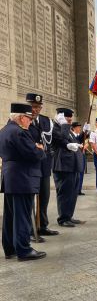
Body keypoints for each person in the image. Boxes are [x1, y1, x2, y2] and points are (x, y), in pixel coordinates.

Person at [0, 103, 46, 261]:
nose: (30, 121)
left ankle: (10, 248)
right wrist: (39, 149)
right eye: (28, 117)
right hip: (23, 178)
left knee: (10, 215)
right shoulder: (19, 132)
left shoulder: (5, 130)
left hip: (10, 178)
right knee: (22, 216)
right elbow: (34, 154)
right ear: (21, 117)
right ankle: (24, 249)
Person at [27, 93, 59, 240]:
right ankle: (31, 229)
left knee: (44, 196)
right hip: (29, 167)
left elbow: (55, 139)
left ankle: (43, 226)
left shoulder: (46, 121)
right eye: (33, 106)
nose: (36, 110)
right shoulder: (22, 119)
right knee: (30, 200)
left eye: (38, 107)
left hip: (44, 165)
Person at [51, 108, 85, 227]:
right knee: (64, 193)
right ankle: (63, 218)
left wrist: (85, 133)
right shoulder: (55, 128)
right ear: (59, 118)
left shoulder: (67, 128)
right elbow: (63, 139)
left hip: (72, 166)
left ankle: (69, 216)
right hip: (62, 166)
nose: (70, 121)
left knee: (72, 193)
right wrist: (64, 124)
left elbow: (74, 140)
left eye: (71, 119)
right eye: (67, 119)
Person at [70, 122, 88, 196]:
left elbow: (86, 142)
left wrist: (86, 145)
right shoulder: (71, 136)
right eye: (78, 127)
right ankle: (74, 189)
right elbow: (77, 141)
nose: (79, 128)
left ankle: (79, 189)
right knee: (76, 173)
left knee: (81, 172)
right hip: (75, 156)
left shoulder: (81, 136)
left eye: (80, 127)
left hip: (82, 154)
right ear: (73, 128)